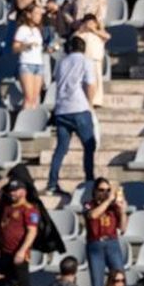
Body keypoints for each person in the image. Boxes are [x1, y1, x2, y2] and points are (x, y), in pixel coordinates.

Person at [47, 36, 99, 197]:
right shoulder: (85, 61)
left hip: (61, 109)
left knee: (61, 148)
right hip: (78, 108)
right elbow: (90, 83)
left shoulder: (62, 62)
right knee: (89, 146)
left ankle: (52, 183)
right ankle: (89, 179)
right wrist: (90, 103)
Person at [0, 180, 41, 286]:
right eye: (11, 191)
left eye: (15, 190)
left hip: (18, 254)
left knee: (23, 285)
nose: (12, 193)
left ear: (23, 192)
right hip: (5, 252)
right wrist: (10, 175)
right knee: (2, 284)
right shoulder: (7, 204)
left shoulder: (29, 209)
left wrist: (22, 251)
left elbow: (32, 232)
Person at [13, 7, 48, 111]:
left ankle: (33, 120)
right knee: (28, 98)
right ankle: (25, 121)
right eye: (36, 13)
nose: (39, 16)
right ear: (29, 15)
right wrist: (26, 46)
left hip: (38, 64)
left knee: (35, 98)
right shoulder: (22, 29)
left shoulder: (37, 30)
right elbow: (15, 48)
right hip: (26, 64)